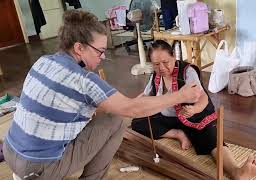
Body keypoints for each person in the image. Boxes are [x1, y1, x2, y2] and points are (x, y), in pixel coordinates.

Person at [2, 10, 202, 180]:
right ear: (79, 47)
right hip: (36, 170)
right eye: (100, 51)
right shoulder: (83, 80)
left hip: (11, 152)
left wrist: (132, 104)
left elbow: (87, 105)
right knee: (115, 120)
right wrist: (180, 95)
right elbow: (131, 109)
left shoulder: (43, 61)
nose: (103, 57)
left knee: (109, 115)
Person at [131, 40, 256, 180]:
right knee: (138, 122)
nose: (161, 67)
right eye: (156, 64)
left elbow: (203, 97)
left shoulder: (187, 71)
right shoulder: (155, 76)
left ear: (174, 56)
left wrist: (194, 110)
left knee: (213, 139)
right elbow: (145, 96)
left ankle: (237, 172)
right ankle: (177, 134)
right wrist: (131, 105)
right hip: (169, 118)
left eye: (165, 62)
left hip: (192, 117)